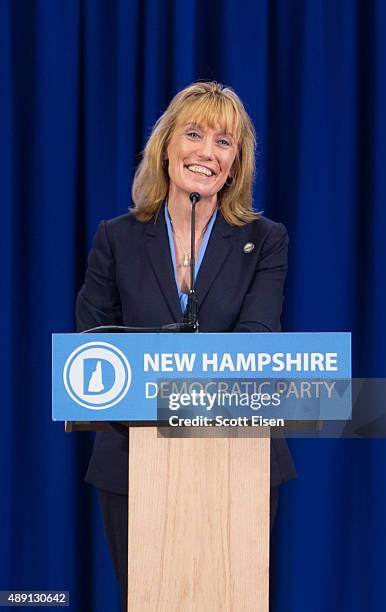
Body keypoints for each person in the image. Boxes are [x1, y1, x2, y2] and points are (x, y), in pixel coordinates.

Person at [76, 81, 297, 611]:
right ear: (167, 145)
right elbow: (93, 347)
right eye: (194, 134)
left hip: (238, 460)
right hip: (134, 464)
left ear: (236, 162)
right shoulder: (117, 238)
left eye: (224, 142)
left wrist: (169, 385)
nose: (206, 152)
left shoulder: (265, 240)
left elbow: (258, 342)